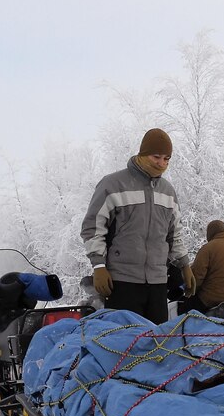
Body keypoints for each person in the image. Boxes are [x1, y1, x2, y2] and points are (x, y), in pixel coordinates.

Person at [80, 128, 195, 324]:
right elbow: (93, 227)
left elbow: (174, 234)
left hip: (158, 283)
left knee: (156, 344)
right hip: (122, 282)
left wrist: (184, 265)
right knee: (124, 344)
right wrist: (99, 266)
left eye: (167, 159)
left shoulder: (168, 192)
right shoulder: (113, 184)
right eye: (156, 156)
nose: (161, 164)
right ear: (142, 154)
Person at [179, 219, 224, 314]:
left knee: (182, 309)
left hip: (210, 301)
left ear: (210, 233)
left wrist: (187, 288)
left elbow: (196, 278)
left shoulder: (208, 249)